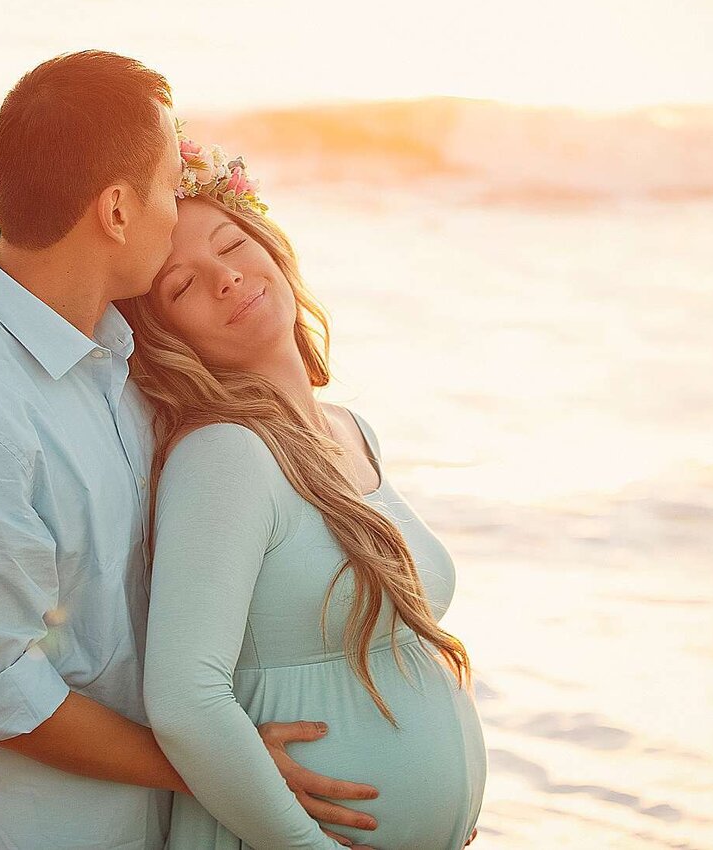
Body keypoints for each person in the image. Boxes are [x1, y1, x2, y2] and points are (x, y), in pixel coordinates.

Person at [0, 50, 382, 850]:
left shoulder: (128, 359)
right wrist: (220, 767)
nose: (177, 204)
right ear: (116, 211)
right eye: (165, 182)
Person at [117, 139, 488, 849]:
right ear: (166, 339)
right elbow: (186, 700)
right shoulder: (226, 455)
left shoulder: (354, 432)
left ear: (269, 245)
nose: (224, 278)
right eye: (183, 286)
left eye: (229, 246)